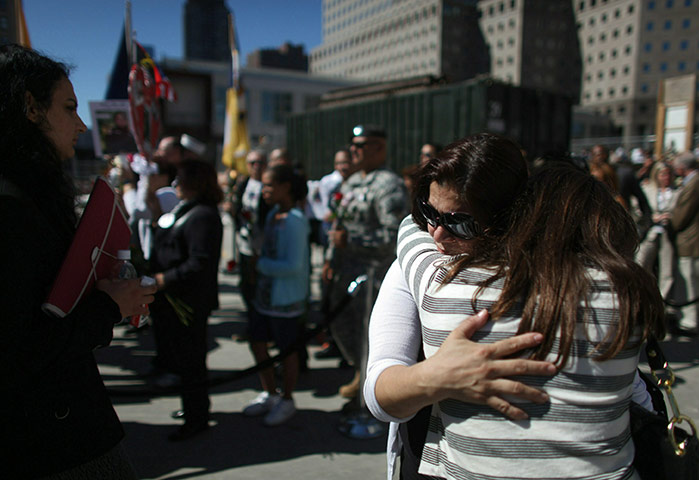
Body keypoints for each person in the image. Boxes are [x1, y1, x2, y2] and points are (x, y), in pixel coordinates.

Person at [383, 159, 665, 479]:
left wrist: (428, 211)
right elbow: (640, 398)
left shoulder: (451, 290)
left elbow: (411, 233)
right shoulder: (628, 294)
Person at [0, 44, 156, 478]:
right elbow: (21, 348)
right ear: (30, 108)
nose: (82, 124)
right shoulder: (10, 209)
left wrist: (112, 288)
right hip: (47, 438)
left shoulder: (26, 196)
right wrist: (108, 307)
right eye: (68, 107)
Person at [323, 124, 408, 400]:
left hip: (373, 274)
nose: (354, 150)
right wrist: (330, 258)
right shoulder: (351, 182)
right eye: (353, 145)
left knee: (371, 332)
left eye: (361, 145)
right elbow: (339, 223)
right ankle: (360, 371)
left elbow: (393, 233)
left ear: (379, 148)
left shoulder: (388, 185)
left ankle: (373, 385)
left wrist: (353, 242)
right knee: (343, 326)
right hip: (347, 270)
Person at [149, 159, 223, 441]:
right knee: (184, 359)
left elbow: (199, 263)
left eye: (180, 180)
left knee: (192, 361)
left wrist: (164, 279)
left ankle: (196, 417)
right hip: (174, 299)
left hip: (189, 301)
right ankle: (192, 408)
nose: (175, 185)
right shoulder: (186, 209)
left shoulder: (203, 215)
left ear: (195, 183)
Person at [242, 164, 310, 426]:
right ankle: (270, 393)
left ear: (286, 187)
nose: (265, 190)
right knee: (258, 343)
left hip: (285, 299)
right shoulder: (273, 214)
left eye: (270, 185)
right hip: (265, 296)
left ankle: (287, 398)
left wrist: (260, 263)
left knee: (286, 351)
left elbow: (293, 265)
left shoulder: (294, 220)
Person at [667, 151, 699, 336]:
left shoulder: (696, 184)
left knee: (689, 282)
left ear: (681, 168)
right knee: (693, 281)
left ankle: (688, 322)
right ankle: (687, 319)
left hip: (692, 241)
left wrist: (670, 223)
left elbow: (682, 215)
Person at [229, 150, 271, 316]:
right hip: (246, 242)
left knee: (262, 282)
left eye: (260, 163)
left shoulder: (268, 184)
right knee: (246, 282)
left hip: (264, 244)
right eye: (252, 163)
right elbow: (237, 208)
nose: (256, 167)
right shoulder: (244, 184)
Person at [636, 162, 678, 300]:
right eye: (663, 174)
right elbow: (637, 208)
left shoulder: (678, 191)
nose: (666, 177)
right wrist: (650, 217)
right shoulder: (648, 189)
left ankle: (662, 300)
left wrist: (670, 217)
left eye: (669, 174)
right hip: (650, 232)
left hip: (668, 233)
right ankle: (640, 296)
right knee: (641, 263)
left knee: (667, 269)